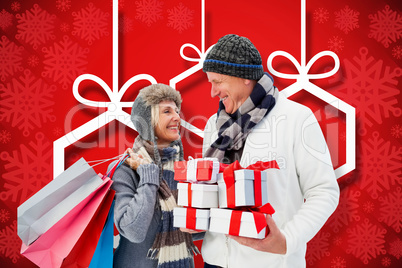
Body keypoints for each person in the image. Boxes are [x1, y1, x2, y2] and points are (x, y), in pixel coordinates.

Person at [200, 34, 340, 267]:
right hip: (214, 261)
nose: (213, 91)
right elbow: (209, 192)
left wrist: (287, 241)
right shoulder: (214, 126)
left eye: (218, 81)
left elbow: (324, 191)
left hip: (271, 262)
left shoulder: (297, 118)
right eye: (210, 82)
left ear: (244, 77)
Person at [111, 84, 198, 268]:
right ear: (146, 122)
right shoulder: (124, 168)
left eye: (176, 110)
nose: (177, 117)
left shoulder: (184, 169)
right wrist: (149, 175)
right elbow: (133, 231)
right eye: (167, 111)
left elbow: (194, 232)